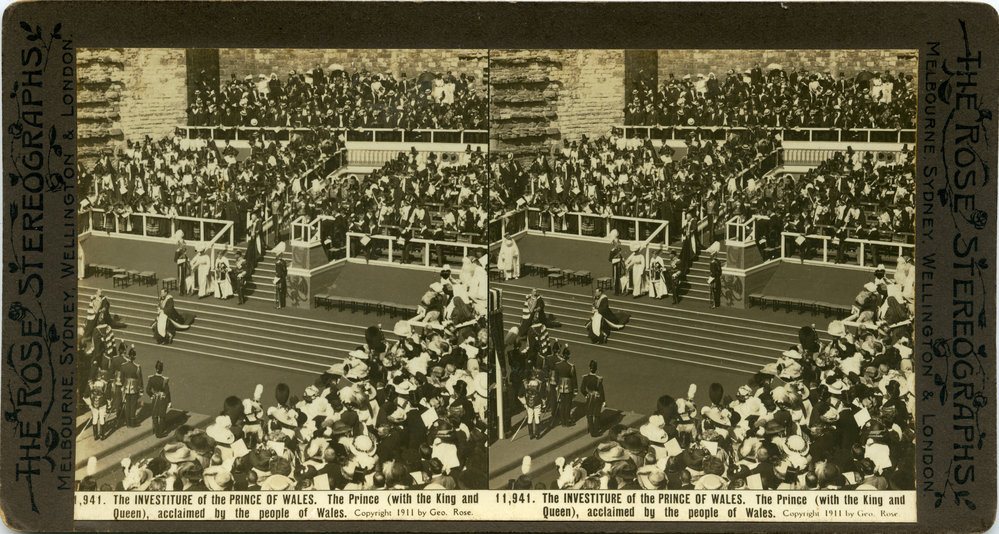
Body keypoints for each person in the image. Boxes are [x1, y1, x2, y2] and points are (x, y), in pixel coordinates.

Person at [518, 357, 544, 440]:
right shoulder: (539, 383)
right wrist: (544, 401)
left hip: (528, 403)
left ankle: (530, 434)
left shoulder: (525, 383)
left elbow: (519, 395)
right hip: (537, 402)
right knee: (537, 417)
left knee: (529, 418)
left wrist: (525, 403)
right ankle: (537, 434)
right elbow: (543, 394)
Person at [552, 346, 577, 428]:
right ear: (568, 356)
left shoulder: (557, 365)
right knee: (568, 404)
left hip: (560, 386)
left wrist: (556, 385)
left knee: (562, 404)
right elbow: (573, 378)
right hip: (568, 386)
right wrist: (575, 389)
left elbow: (556, 377)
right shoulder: (571, 366)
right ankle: (567, 420)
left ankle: (562, 421)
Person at [579, 360, 605, 437]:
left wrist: (586, 395)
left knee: (589, 414)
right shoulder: (598, 379)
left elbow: (582, 389)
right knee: (596, 414)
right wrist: (603, 400)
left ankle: (591, 430)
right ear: (596, 369)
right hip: (597, 397)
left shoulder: (585, 377)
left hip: (589, 397)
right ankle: (595, 430)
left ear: (589, 367)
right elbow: (601, 390)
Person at [118, 349, 143, 428]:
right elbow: (140, 379)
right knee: (133, 405)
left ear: (128, 356)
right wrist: (141, 389)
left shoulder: (123, 366)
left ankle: (128, 422)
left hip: (126, 387)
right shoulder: (137, 367)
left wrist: (123, 386)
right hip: (134, 388)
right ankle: (132, 422)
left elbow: (121, 378)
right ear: (134, 357)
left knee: (127, 405)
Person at [146, 360, 171, 438]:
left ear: (155, 368)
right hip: (162, 399)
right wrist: (169, 401)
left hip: (155, 398)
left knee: (155, 416)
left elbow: (147, 390)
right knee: (162, 416)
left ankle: (156, 430)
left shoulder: (151, 378)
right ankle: (160, 432)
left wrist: (151, 395)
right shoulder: (164, 380)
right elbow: (167, 391)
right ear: (162, 369)